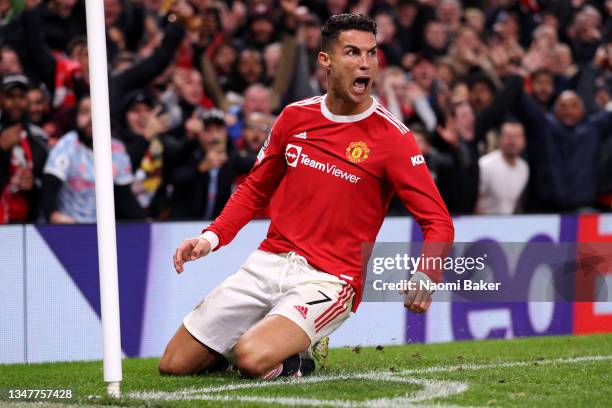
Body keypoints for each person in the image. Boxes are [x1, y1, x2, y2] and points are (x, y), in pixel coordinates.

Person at [159, 13, 453, 379]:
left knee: (251, 359)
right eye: (352, 53)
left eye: (371, 53)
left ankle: (300, 354)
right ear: (325, 61)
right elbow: (254, 188)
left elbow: (438, 220)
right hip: (269, 262)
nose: (365, 63)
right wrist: (211, 237)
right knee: (173, 365)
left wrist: (426, 274)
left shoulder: (392, 138)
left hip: (330, 279)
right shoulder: (295, 117)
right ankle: (268, 340)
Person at [41, 95, 146, 223]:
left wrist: (146, 222)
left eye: (97, 111)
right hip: (69, 227)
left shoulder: (117, 149)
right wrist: (54, 215)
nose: (91, 118)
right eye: (84, 112)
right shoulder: (66, 146)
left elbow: (123, 197)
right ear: (76, 117)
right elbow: (48, 190)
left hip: (104, 230)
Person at [477, 121, 529, 214]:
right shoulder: (485, 165)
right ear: (499, 139)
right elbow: (476, 200)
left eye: (517, 137)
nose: (512, 141)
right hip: (483, 223)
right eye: (508, 137)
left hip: (507, 224)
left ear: (524, 140)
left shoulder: (524, 168)